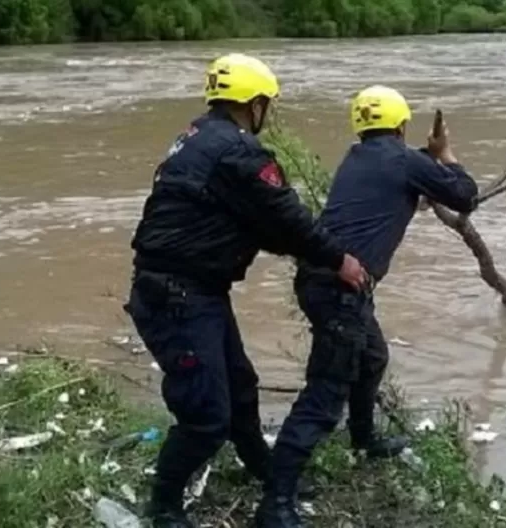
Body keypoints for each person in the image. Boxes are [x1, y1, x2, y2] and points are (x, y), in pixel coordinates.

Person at [123, 53, 368, 528]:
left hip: (189, 290)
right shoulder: (239, 153)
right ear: (255, 104)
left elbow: (259, 224)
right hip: (178, 296)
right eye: (267, 105)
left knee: (240, 387)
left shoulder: (194, 137)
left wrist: (305, 250)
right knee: (206, 415)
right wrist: (341, 260)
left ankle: (261, 468)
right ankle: (164, 508)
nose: (267, 113)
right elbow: (287, 220)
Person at [255, 85, 480, 528]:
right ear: (400, 125)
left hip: (323, 279)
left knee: (373, 356)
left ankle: (363, 438)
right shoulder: (406, 162)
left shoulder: (359, 157)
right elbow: (466, 195)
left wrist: (426, 161)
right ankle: (275, 502)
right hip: (341, 288)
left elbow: (400, 171)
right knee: (323, 395)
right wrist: (445, 153)